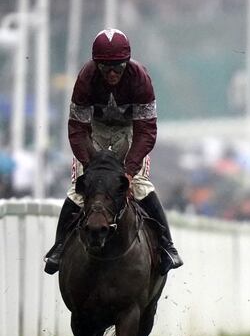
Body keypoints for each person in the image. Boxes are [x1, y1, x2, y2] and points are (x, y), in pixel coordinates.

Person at [43, 28, 183, 276]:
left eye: (117, 67)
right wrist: (91, 166)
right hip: (93, 130)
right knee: (80, 188)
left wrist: (129, 170)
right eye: (104, 67)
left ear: (127, 63)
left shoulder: (140, 79)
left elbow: (146, 130)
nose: (111, 73)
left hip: (130, 131)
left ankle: (166, 246)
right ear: (95, 65)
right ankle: (60, 247)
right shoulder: (85, 79)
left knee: (139, 184)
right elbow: (77, 128)